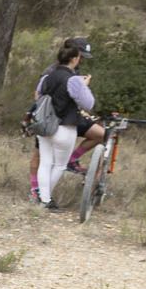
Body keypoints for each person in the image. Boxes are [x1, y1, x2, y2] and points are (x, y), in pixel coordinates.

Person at [26, 36, 102, 201]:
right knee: (47, 160)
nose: (81, 60)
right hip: (61, 121)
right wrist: (83, 87)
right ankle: (38, 192)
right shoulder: (62, 74)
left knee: (99, 133)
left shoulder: (56, 74)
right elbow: (87, 102)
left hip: (52, 120)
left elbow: (40, 94)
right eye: (80, 56)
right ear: (73, 55)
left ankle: (44, 196)